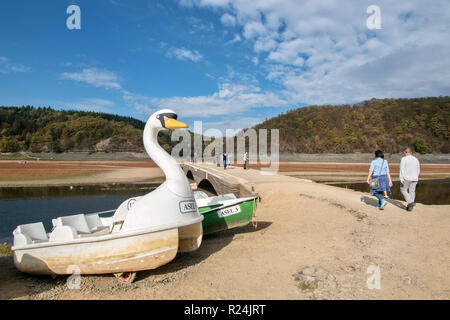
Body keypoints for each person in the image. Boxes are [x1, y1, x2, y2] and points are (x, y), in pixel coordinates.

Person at [399, 147, 420, 211]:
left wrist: (401, 178)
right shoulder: (416, 159)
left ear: (405, 152)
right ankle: (411, 204)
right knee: (412, 191)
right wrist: (417, 176)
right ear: (411, 152)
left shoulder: (404, 159)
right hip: (415, 178)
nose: (404, 153)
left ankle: (410, 202)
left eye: (405, 152)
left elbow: (402, 169)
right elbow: (418, 169)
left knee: (403, 190)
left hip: (406, 178)